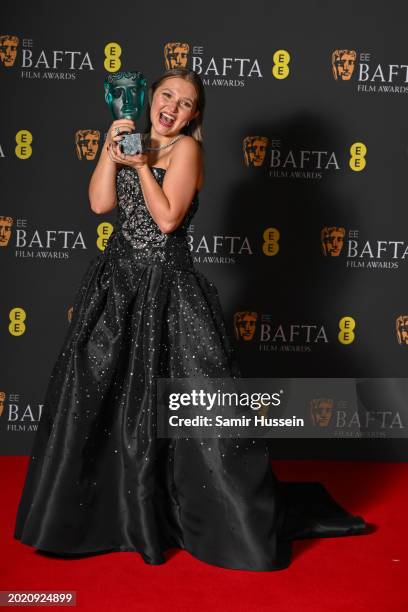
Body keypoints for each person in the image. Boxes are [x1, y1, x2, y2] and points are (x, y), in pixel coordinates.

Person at [14, 68, 368, 571]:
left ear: (193, 115)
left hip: (168, 292)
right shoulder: (129, 137)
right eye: (166, 96)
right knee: (101, 403)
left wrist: (139, 166)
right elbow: (99, 204)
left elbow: (167, 220)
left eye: (185, 103)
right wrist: (109, 149)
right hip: (116, 286)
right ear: (150, 99)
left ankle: (200, 516)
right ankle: (111, 517)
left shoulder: (186, 152)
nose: (172, 107)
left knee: (191, 411)